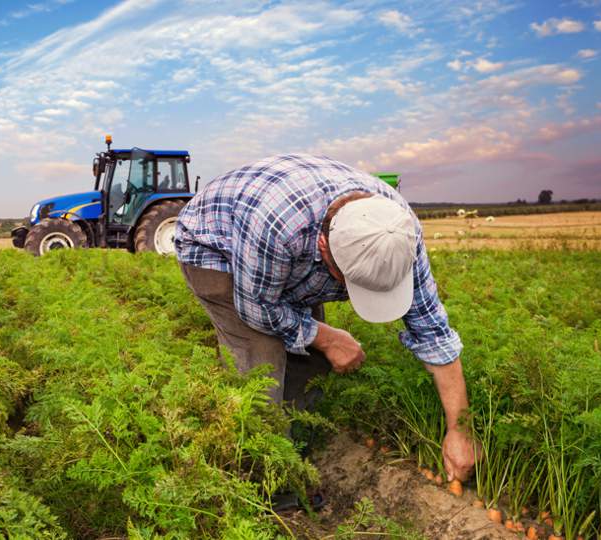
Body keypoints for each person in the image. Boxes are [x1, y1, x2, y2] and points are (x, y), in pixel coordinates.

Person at [174, 154, 476, 483]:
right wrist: (330, 338)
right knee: (261, 366)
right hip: (217, 248)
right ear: (324, 247)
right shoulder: (278, 227)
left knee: (310, 360)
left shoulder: (397, 232)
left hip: (285, 251)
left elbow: (434, 333)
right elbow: (257, 308)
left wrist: (460, 431)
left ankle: (297, 447)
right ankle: (262, 478)